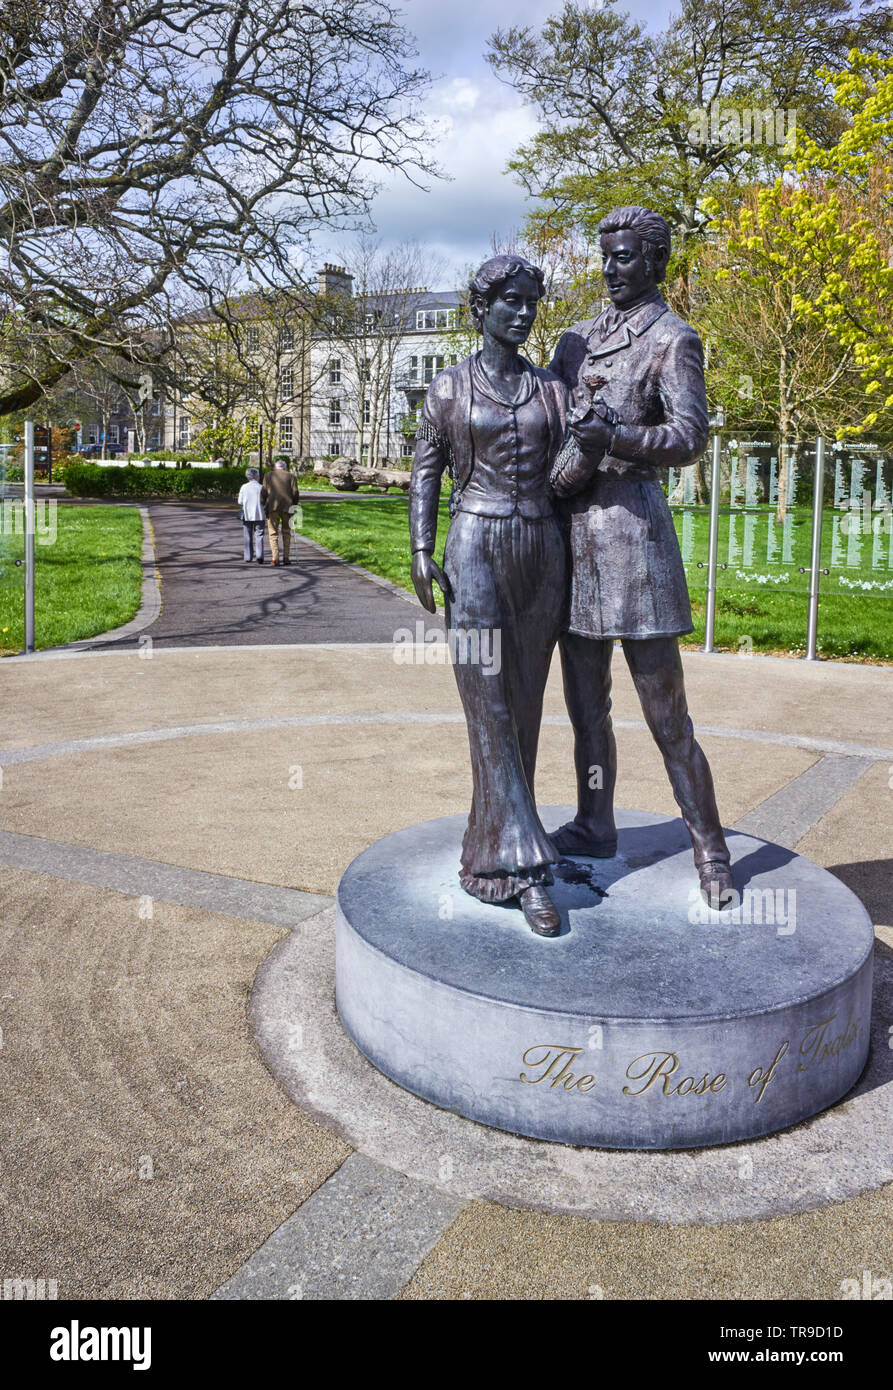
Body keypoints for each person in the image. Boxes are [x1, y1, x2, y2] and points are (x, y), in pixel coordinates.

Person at [548, 204, 733, 905]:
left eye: (624, 256)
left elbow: (688, 437)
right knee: (585, 708)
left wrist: (616, 438)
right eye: (605, 255)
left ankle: (709, 849)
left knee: (666, 715)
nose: (610, 268)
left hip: (635, 540)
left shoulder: (672, 338)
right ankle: (595, 823)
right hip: (576, 540)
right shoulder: (575, 340)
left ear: (654, 261)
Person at [410, 255, 569, 937]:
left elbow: (567, 474)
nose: (523, 312)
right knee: (488, 701)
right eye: (509, 300)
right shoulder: (448, 388)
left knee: (526, 705)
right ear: (480, 309)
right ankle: (527, 870)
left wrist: (597, 443)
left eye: (530, 301)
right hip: (473, 546)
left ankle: (489, 857)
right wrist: (420, 548)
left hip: (541, 551)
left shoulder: (551, 390)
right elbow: (425, 471)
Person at [261, 459, 300, 566]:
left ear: (275, 468)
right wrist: (294, 505)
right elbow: (295, 492)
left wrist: (263, 502)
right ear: (285, 468)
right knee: (286, 532)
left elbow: (264, 491)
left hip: (273, 507)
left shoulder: (268, 475)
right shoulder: (291, 476)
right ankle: (286, 558)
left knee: (273, 533)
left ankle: (275, 558)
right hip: (287, 507)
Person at [237, 467, 265, 564]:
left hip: (247, 514)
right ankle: (259, 556)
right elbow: (265, 501)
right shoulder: (261, 487)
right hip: (260, 514)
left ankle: (248, 557)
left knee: (247, 535)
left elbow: (240, 501)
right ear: (256, 476)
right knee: (259, 535)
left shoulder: (244, 487)